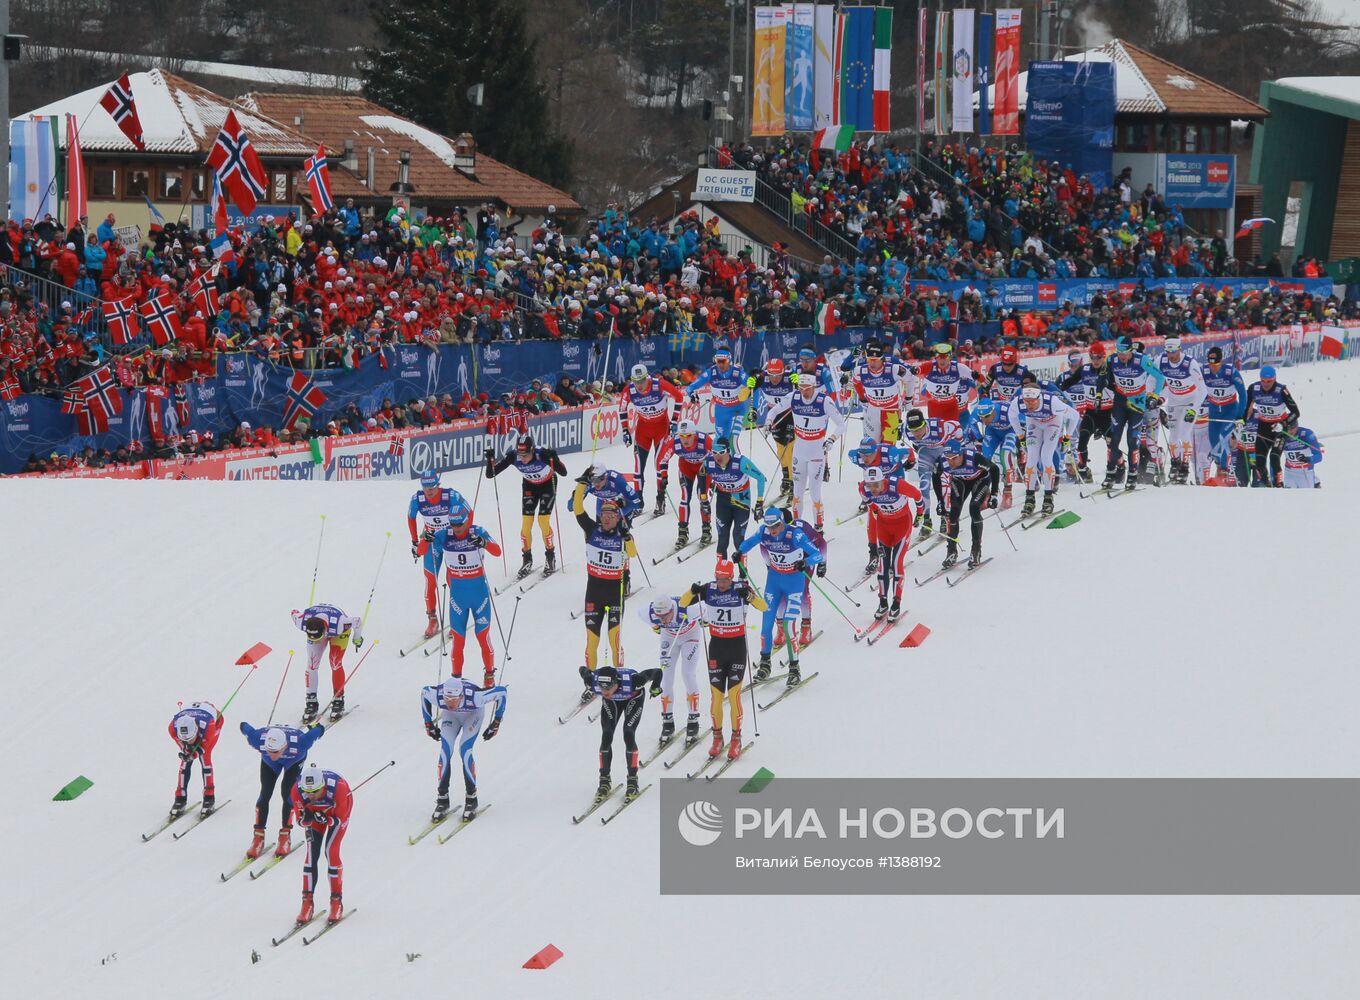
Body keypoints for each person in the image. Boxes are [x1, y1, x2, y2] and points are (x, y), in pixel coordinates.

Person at [679, 558, 768, 760]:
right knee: (716, 697)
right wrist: (692, 591)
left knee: (734, 695)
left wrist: (750, 597)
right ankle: (717, 737)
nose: (722, 584)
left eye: (725, 580)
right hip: (717, 648)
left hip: (736, 648)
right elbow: (683, 603)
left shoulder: (740, 588)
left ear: (731, 578)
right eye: (719, 579)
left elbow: (764, 607)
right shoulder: (708, 589)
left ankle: (736, 738)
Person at [739, 508, 824, 684]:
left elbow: (817, 554)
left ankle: (794, 668)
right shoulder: (764, 532)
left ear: (782, 522)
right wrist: (739, 552)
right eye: (769, 527)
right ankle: (765, 664)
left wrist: (806, 562)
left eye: (776, 526)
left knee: (788, 624)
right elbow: (748, 543)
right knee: (766, 625)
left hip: (794, 583)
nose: (773, 531)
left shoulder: (795, 534)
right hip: (774, 582)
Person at [420, 508, 502, 687]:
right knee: (458, 640)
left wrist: (483, 543)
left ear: (467, 521)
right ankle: (456, 680)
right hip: (458, 598)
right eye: (453, 524)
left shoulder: (477, 532)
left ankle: (489, 675)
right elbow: (421, 551)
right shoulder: (444, 534)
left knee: (483, 636)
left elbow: (498, 552)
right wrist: (425, 539)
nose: (457, 529)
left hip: (479, 595)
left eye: (460, 524)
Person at [571, 477, 638, 679]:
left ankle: (620, 676)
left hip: (614, 594)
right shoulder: (591, 529)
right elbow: (577, 508)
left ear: (618, 517)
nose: (607, 518)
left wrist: (627, 537)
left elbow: (633, 554)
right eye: (604, 514)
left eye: (611, 515)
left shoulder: (622, 534)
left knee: (614, 638)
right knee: (592, 640)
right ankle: (590, 678)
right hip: (594, 593)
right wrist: (582, 484)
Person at [420, 674, 507, 823]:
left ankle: (471, 798)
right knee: (445, 751)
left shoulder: (476, 697)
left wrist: (496, 722)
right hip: (451, 717)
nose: (449, 703)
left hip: (473, 715)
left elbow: (501, 692)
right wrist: (428, 724)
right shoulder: (438, 696)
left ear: (461, 696)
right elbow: (423, 693)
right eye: (447, 699)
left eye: (453, 700)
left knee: (464, 750)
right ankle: (442, 799)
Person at [764, 371, 845, 530]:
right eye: (801, 388)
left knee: (815, 492)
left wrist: (831, 439)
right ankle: (796, 526)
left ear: (814, 386)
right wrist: (768, 422)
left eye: (807, 388)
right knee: (797, 493)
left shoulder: (824, 401)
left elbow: (841, 424)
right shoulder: (793, 397)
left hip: (816, 452)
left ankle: (818, 527)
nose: (804, 392)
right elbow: (774, 410)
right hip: (799, 451)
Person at [577, 665, 664, 804]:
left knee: (628, 733)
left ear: (616, 682)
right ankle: (604, 781)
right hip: (612, 702)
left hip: (633, 698)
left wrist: (655, 686)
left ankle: (632, 781)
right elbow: (582, 669)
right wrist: (591, 674)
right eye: (601, 687)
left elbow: (657, 672)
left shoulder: (635, 680)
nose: (604, 691)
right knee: (606, 735)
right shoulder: (592, 681)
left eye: (608, 687)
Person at [239, 721, 326, 859]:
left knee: (288, 792)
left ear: (284, 745)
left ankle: (285, 835)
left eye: (276, 751)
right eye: (269, 750)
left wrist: (318, 726)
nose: (273, 754)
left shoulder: (301, 742)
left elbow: (319, 730)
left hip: (294, 760)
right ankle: (258, 837)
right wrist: (244, 728)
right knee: (265, 792)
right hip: (270, 764)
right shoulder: (258, 739)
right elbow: (244, 726)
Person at [486, 431, 567, 578]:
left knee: (543, 521)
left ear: (532, 451)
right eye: (520, 455)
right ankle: (527, 559)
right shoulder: (513, 456)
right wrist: (490, 459)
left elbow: (563, 472)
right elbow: (491, 474)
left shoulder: (541, 454)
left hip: (548, 484)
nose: (522, 459)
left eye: (526, 455)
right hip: (530, 487)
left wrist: (554, 457)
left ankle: (550, 556)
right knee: (526, 524)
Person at [407, 471, 472, 638]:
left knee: (453, 580)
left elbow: (469, 511)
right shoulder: (417, 499)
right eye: (425, 487)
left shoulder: (450, 495)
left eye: (432, 487)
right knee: (430, 580)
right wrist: (415, 541)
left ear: (438, 485)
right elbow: (410, 517)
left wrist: (464, 532)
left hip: (450, 538)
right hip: (431, 538)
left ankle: (458, 617)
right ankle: (432, 619)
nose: (429, 491)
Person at [1097, 336, 1165, 490]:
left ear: (1131, 351)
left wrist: (1155, 395)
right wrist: (1101, 390)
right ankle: (1110, 473)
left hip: (1137, 405)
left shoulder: (1142, 360)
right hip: (1120, 402)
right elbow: (1103, 377)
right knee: (1114, 439)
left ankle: (1133, 474)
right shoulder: (1112, 360)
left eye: (1125, 353)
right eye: (1119, 353)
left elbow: (1160, 377)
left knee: (1132, 440)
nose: (1122, 357)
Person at [290, 762, 352, 927]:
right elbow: (300, 821)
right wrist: (307, 818)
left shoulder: (338, 787)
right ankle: (307, 903)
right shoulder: (297, 790)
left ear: (323, 785)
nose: (310, 796)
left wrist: (327, 819)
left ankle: (336, 901)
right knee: (311, 855)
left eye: (315, 792)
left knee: (330, 852)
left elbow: (339, 819)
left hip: (336, 814)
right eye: (307, 792)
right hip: (318, 815)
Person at [859, 466, 923, 621]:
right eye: (870, 485)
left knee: (896, 563)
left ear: (883, 481)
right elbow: (869, 503)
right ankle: (883, 602)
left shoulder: (897, 485)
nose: (873, 489)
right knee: (882, 565)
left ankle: (896, 603)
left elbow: (918, 496)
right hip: (883, 527)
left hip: (902, 526)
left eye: (877, 485)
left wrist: (920, 515)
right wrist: (876, 510)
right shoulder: (863, 488)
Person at [618, 363, 684, 514]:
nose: (639, 385)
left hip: (661, 429)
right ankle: (638, 501)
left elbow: (679, 397)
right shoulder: (630, 390)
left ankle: (660, 499)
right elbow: (622, 408)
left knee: (659, 464)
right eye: (636, 381)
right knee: (638, 468)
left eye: (642, 381)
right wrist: (625, 431)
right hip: (643, 430)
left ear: (647, 377)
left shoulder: (659, 385)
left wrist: (674, 421)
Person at [641, 594, 703, 744]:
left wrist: (703, 621)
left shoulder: (688, 609)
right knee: (665, 677)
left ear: (671, 610)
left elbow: (705, 608)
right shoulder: (648, 612)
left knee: (688, 674)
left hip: (690, 637)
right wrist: (656, 627)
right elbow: (642, 614)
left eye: (665, 616)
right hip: (668, 639)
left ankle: (693, 720)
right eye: (659, 616)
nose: (662, 620)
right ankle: (667, 721)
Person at [1007, 384, 1078, 515]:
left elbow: (1075, 416)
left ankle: (1048, 498)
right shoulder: (1017, 403)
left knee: (1046, 456)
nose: (1029, 404)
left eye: (1032, 401)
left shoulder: (1053, 402)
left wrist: (1067, 437)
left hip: (1053, 422)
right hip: (1034, 422)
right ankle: (1029, 499)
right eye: (1026, 401)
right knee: (1032, 458)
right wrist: (1021, 436)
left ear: (1039, 398)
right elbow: (1012, 416)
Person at [933, 440, 1001, 569]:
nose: (951, 462)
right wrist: (940, 502)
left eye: (954, 458)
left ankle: (976, 551)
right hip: (960, 480)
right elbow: (936, 477)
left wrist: (994, 494)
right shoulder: (941, 461)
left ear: (961, 454)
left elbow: (994, 469)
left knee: (974, 508)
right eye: (948, 458)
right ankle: (951, 551)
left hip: (980, 479)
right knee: (953, 512)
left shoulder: (974, 458)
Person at [291, 604, 364, 723]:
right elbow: (293, 611)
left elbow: (358, 621)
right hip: (323, 626)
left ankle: (338, 699)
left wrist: (357, 638)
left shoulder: (341, 623)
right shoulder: (301, 621)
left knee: (335, 662)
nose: (318, 641)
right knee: (312, 664)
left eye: (318, 637)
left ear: (324, 631)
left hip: (338, 633)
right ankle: (311, 701)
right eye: (313, 638)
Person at [903, 407, 961, 544]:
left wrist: (958, 446)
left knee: (944, 481)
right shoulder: (906, 429)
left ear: (925, 424)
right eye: (913, 431)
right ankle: (927, 520)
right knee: (924, 485)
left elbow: (957, 427)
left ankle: (945, 517)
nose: (916, 434)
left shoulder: (939, 427)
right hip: (926, 453)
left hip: (942, 451)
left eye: (918, 429)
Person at [705, 436, 767, 561]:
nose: (718, 457)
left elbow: (761, 478)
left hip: (741, 503)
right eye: (714, 452)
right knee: (722, 541)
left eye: (721, 452)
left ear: (728, 451)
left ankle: (743, 576)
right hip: (723, 502)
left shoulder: (740, 462)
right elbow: (702, 477)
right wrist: (703, 498)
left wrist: (759, 502)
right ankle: (721, 575)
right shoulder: (709, 462)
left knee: (738, 538)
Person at [1155, 338, 1206, 484]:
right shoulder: (1161, 360)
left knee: (1184, 434)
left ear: (1180, 349)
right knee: (1173, 436)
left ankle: (1184, 467)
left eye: (1174, 352)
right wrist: (1156, 397)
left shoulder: (1190, 363)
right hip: (1174, 401)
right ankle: (1175, 463)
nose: (1171, 355)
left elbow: (1203, 391)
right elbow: (1153, 379)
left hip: (1190, 401)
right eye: (1168, 352)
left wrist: (1193, 410)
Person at [656, 419, 714, 547]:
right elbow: (662, 460)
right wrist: (663, 477)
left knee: (702, 497)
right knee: (684, 498)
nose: (685, 440)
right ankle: (682, 532)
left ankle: (706, 530)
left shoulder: (704, 440)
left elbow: (718, 456)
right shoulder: (675, 442)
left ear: (694, 434)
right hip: (686, 468)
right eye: (682, 436)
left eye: (688, 436)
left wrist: (713, 472)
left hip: (704, 468)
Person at [1242, 365, 1300, 487]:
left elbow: (1296, 412)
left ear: (1274, 379)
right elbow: (1246, 408)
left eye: (1269, 381)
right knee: (1259, 462)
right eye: (1263, 381)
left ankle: (1279, 484)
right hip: (1263, 428)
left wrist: (1283, 423)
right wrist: (1241, 422)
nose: (1266, 384)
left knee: (1274, 458)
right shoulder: (1254, 388)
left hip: (1279, 429)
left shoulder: (1281, 390)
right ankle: (1267, 485)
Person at [684, 346, 750, 451]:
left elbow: (751, 384)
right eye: (717, 361)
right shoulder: (711, 372)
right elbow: (690, 388)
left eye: (723, 361)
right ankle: (719, 465)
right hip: (720, 410)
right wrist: (691, 394)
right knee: (720, 442)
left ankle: (737, 465)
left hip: (736, 410)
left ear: (729, 360)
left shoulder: (737, 372)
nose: (720, 364)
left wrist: (751, 384)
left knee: (732, 442)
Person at [749, 357, 796, 498]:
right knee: (780, 449)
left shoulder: (789, 379)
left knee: (790, 448)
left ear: (783, 372)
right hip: (774, 417)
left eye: (778, 375)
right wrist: (750, 384)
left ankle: (792, 481)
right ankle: (786, 477)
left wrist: (798, 382)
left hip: (790, 415)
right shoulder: (764, 377)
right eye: (772, 375)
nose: (775, 379)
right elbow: (750, 392)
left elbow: (805, 390)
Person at [1059, 345, 1107, 483]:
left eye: (1078, 364)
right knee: (1074, 443)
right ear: (1069, 364)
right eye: (1073, 365)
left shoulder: (1088, 372)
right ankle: (1079, 471)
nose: (1075, 367)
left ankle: (1116, 465)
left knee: (1104, 438)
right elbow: (1056, 391)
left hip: (1090, 412)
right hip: (1072, 416)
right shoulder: (1064, 377)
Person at [168, 701, 224, 819]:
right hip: (195, 716)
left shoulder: (209, 726)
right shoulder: (172, 728)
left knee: (205, 758)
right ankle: (180, 798)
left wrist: (194, 754)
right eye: (185, 740)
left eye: (191, 738)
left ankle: (209, 797)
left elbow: (205, 746)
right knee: (185, 762)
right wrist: (186, 750)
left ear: (196, 730)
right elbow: (184, 745)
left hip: (215, 721)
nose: (189, 742)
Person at [1199, 346, 1246, 482]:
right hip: (1214, 412)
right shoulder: (1204, 371)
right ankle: (1221, 467)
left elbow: (1243, 395)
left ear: (1222, 361)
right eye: (1211, 364)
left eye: (1216, 364)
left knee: (1223, 439)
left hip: (1230, 411)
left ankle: (1225, 470)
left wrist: (1240, 416)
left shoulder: (1231, 372)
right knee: (1214, 443)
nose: (1213, 368)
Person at [854, 339, 916, 443]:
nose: (872, 363)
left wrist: (908, 399)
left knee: (888, 447)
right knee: (871, 445)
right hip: (873, 410)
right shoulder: (860, 371)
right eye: (870, 359)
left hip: (891, 410)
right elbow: (856, 382)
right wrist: (862, 399)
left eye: (875, 360)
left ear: (882, 359)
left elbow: (911, 379)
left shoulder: (894, 369)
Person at [915, 341, 975, 424]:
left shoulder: (965, 378)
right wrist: (933, 395)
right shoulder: (937, 373)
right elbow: (923, 391)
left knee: (959, 432)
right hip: (941, 408)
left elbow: (977, 384)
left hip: (960, 411)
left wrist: (981, 396)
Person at [578, 461, 643, 522]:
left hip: (621, 501)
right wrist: (578, 489)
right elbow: (571, 507)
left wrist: (620, 514)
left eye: (598, 480)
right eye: (593, 480)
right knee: (600, 524)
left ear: (605, 476)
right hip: (603, 501)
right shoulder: (588, 484)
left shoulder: (617, 481)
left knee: (620, 530)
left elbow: (637, 504)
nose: (596, 483)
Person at [1279, 414, 1322, 488]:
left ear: (1297, 426)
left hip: (1305, 471)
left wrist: (1308, 459)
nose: (1290, 431)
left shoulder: (1307, 434)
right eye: (1288, 429)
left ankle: (1315, 482)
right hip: (1289, 472)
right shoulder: (1282, 435)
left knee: (1306, 497)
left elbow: (1319, 456)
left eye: (1292, 428)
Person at [984, 344, 1029, 410]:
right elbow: (985, 387)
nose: (1006, 367)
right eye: (1004, 364)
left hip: (1016, 403)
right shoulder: (995, 369)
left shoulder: (1023, 371)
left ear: (1015, 362)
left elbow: (1029, 390)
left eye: (1010, 364)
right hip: (1000, 401)